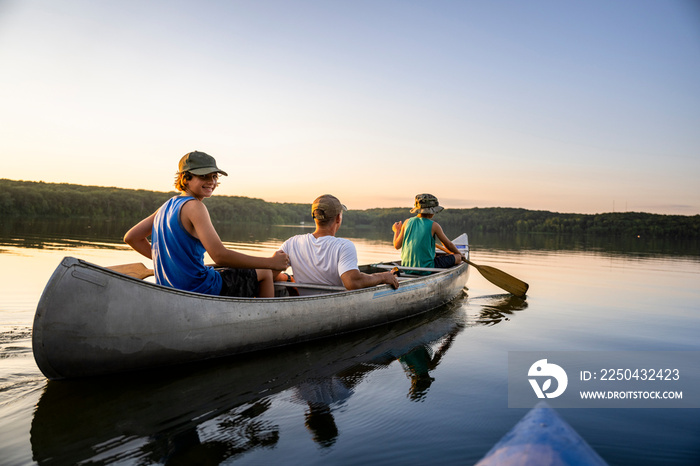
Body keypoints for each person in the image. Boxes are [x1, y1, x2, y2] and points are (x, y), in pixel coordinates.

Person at [124, 151, 288, 297]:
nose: (211, 181)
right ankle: (262, 323)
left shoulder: (166, 206)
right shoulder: (195, 206)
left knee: (242, 271)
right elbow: (220, 255)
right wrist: (270, 262)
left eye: (214, 176)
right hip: (200, 288)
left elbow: (132, 237)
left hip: (170, 287)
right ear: (185, 178)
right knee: (266, 272)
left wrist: (173, 262)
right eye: (203, 176)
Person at [278, 194, 399, 291]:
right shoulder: (343, 246)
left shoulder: (291, 243)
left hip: (302, 303)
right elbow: (352, 282)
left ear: (314, 217)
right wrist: (383, 276)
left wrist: (288, 278)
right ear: (338, 218)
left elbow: (270, 272)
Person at [392, 193, 462, 273]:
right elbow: (448, 245)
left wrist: (397, 230)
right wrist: (460, 255)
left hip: (406, 268)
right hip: (426, 269)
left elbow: (396, 246)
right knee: (458, 257)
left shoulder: (406, 222)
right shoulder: (434, 226)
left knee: (434, 255)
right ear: (432, 211)